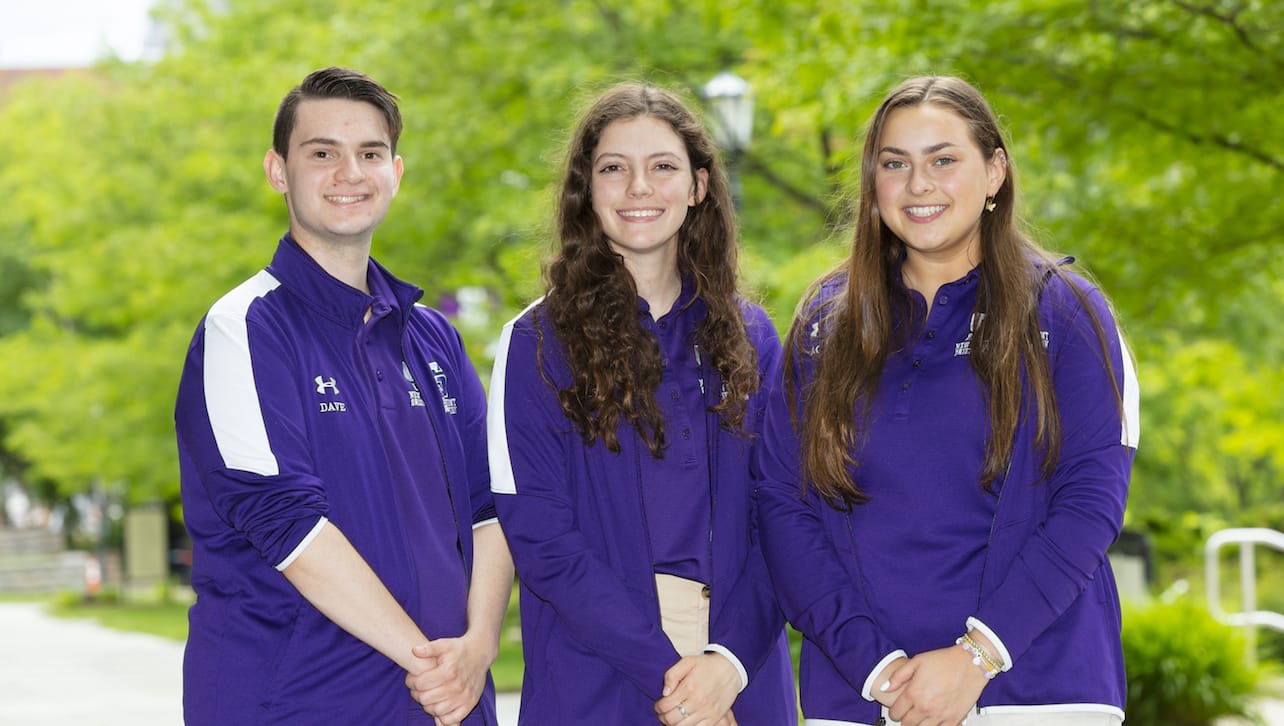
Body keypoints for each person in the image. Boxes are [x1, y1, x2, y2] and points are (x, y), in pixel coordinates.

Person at [755, 75, 1140, 726]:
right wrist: (876, 669)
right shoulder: (825, 323)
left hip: (1037, 694)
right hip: (861, 698)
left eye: (943, 160)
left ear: (995, 173)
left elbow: (1090, 502)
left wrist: (978, 657)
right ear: (873, 184)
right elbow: (780, 502)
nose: (918, 184)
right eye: (894, 163)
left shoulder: (1068, 311)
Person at [174, 66, 512, 725]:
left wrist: (478, 649)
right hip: (294, 702)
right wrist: (432, 665)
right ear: (278, 171)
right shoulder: (243, 329)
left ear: (396, 172)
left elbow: (490, 508)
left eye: (370, 154)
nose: (348, 173)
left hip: (445, 703)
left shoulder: (434, 339)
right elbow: (286, 521)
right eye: (321, 153)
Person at [486, 82, 797, 725]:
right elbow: (542, 538)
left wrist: (728, 662)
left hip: (737, 669)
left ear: (698, 187)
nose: (638, 188)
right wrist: (673, 677)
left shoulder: (752, 337)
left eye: (662, 167)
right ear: (586, 190)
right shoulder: (537, 343)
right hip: (598, 668)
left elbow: (784, 517)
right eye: (613, 169)